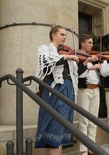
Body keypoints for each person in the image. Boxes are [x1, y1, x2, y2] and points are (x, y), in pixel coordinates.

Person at [34, 25, 79, 155]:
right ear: (53, 35)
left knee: (62, 129)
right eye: (62, 34)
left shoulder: (65, 51)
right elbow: (46, 63)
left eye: (65, 35)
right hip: (54, 89)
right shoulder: (45, 48)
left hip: (68, 89)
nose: (65, 37)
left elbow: (74, 72)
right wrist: (67, 58)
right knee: (54, 125)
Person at [77, 34, 101, 155]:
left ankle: (92, 147)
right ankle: (83, 150)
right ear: (82, 44)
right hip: (84, 90)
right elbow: (77, 74)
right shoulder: (78, 57)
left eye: (92, 43)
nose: (92, 45)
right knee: (83, 121)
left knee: (93, 120)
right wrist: (90, 64)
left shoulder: (92, 57)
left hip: (96, 89)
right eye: (89, 43)